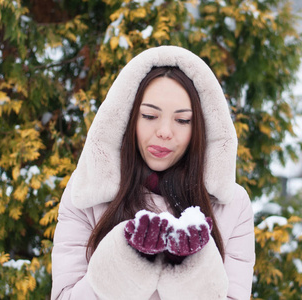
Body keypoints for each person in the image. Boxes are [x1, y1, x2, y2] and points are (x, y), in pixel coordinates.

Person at [51, 46, 255, 300]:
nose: (165, 131)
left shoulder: (233, 205)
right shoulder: (88, 193)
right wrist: (127, 259)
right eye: (149, 115)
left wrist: (191, 268)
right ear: (128, 119)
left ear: (200, 127)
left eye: (182, 120)